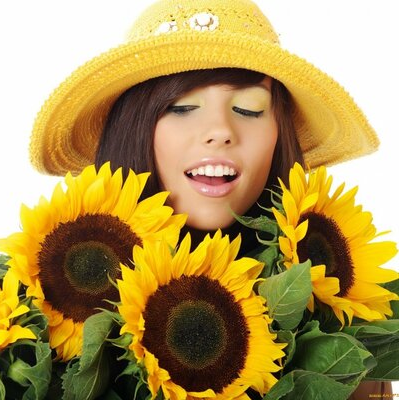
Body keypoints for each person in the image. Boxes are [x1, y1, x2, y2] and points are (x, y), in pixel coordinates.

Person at [27, 0, 393, 397]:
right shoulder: (34, 324)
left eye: (248, 109)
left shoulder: (349, 346)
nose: (219, 130)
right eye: (182, 107)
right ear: (133, 127)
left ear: (279, 133)